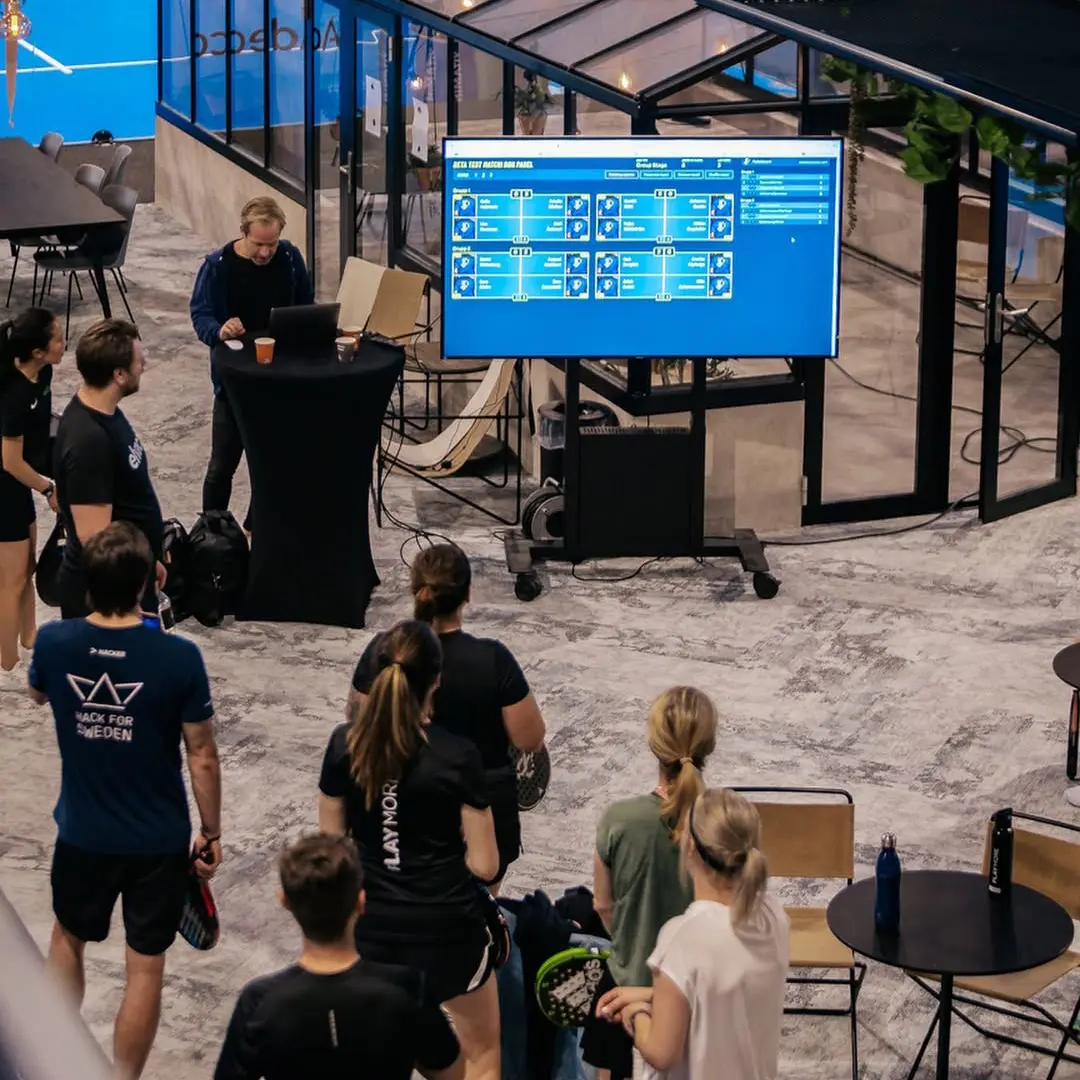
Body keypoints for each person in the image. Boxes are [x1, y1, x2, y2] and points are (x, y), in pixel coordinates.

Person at [27, 520, 223, 1080]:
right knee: (145, 967)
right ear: (145, 584)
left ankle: (53, 1064)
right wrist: (210, 832)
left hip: (83, 833)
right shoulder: (179, 658)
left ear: (88, 585)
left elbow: (37, 691)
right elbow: (202, 754)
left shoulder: (55, 643)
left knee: (67, 939)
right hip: (157, 841)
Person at [319, 620, 501, 1080]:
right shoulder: (458, 755)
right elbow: (485, 864)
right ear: (436, 681)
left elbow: (331, 850)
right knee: (480, 1050)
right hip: (448, 934)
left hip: (370, 934)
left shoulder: (344, 746)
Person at [347, 543, 545, 892]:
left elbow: (357, 724)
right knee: (476, 915)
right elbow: (529, 740)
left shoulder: (383, 651)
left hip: (395, 810)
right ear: (467, 594)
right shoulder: (493, 659)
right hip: (480, 817)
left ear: (414, 590)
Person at [214, 832, 463, 1080]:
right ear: (361, 901)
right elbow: (451, 1074)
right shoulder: (407, 989)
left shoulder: (259, 1001)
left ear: (285, 901)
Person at [596, 788, 789, 1080]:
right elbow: (721, 989)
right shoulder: (773, 915)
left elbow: (662, 1052)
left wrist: (635, 1013)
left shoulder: (682, 938)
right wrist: (651, 993)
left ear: (690, 850)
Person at [583, 686, 718, 1080]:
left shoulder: (618, 820)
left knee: (604, 1013)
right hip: (700, 982)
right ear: (709, 744)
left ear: (653, 744)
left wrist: (629, 941)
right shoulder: (723, 821)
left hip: (630, 976)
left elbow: (602, 906)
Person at [189, 196, 314, 531]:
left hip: (278, 380)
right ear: (243, 232)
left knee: (272, 466)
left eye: (271, 244)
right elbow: (200, 315)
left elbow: (306, 305)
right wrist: (219, 330)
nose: (265, 252)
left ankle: (254, 528)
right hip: (234, 383)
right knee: (221, 466)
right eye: (259, 244)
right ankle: (211, 535)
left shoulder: (289, 257)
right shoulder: (217, 266)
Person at [52, 319, 166, 621]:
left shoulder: (106, 413)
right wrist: (128, 604)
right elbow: (95, 540)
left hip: (130, 579)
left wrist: (147, 560)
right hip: (109, 602)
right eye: (138, 360)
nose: (145, 364)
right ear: (118, 374)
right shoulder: (88, 441)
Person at [0, 309, 62, 674]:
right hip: (5, 486)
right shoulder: (14, 396)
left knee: (28, 565)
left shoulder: (44, 374)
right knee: (11, 580)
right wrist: (47, 486)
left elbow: (40, 438)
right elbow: (10, 460)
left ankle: (29, 634)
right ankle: (6, 657)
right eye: (56, 338)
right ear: (38, 351)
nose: (63, 340)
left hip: (21, 483)